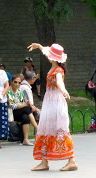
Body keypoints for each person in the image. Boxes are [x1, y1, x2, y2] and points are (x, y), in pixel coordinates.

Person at [27, 43, 78, 171]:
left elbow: (59, 81)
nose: (48, 56)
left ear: (55, 58)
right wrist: (38, 46)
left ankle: (72, 160)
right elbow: (45, 51)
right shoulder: (53, 67)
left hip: (56, 101)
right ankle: (44, 161)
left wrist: (64, 90)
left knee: (60, 128)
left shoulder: (58, 70)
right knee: (45, 128)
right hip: (50, 101)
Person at [7, 74, 38, 146]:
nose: (17, 84)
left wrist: (27, 103)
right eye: (15, 82)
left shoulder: (20, 90)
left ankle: (25, 139)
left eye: (19, 82)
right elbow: (13, 105)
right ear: (11, 82)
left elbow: (25, 101)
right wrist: (25, 105)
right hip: (12, 112)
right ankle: (37, 129)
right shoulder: (9, 91)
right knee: (27, 109)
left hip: (22, 111)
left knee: (25, 117)